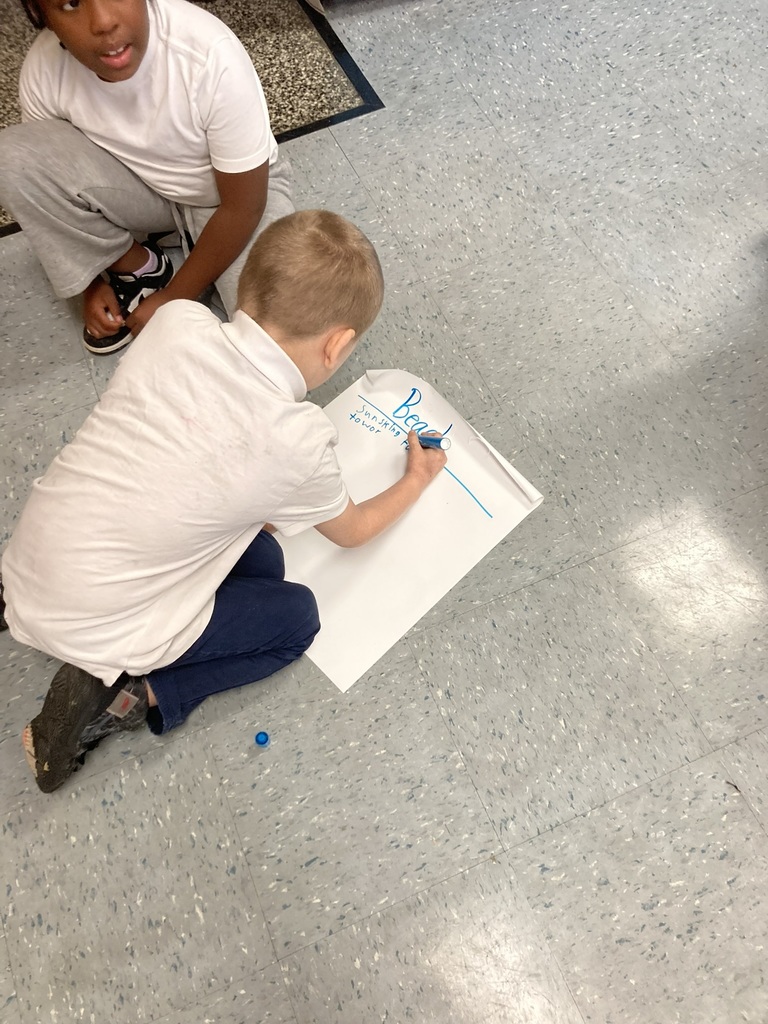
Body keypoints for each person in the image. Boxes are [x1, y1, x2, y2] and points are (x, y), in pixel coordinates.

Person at [1, 210, 448, 793]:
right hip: (101, 617)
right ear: (337, 345)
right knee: (296, 619)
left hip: (31, 561)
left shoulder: (177, 323)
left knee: (264, 560)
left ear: (245, 287)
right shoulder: (300, 440)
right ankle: (135, 693)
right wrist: (416, 477)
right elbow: (354, 529)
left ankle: (109, 652)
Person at [0, 0, 292, 354]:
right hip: (142, 189)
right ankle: (142, 268)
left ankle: (177, 276)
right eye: (70, 3)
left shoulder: (211, 54)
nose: (104, 22)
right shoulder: (43, 69)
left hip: (228, 197)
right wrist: (89, 282)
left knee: (276, 338)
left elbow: (244, 207)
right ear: (41, 16)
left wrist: (172, 298)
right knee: (12, 157)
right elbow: (46, 168)